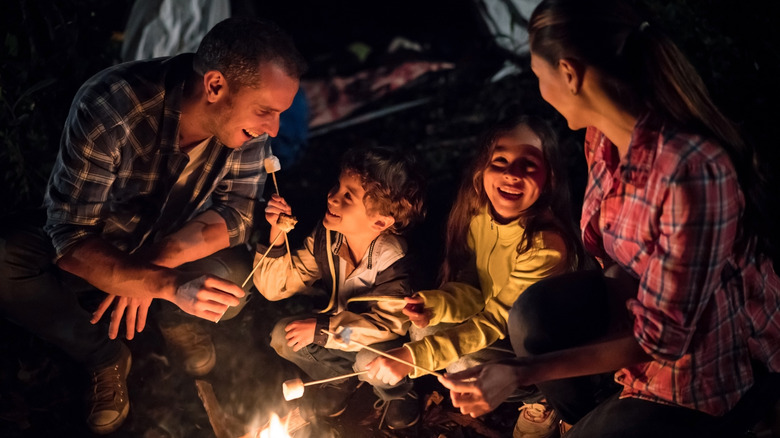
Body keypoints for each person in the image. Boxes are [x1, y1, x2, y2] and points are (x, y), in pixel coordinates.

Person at [438, 1, 780, 437]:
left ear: (568, 73)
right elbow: (616, 261)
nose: (538, 88)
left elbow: (664, 341)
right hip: (636, 318)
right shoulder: (603, 140)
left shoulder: (691, 170)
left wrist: (520, 373)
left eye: (538, 75)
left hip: (710, 365)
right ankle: (591, 417)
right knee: (535, 315)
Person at [0, 17, 306, 435]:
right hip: (99, 245)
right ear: (215, 86)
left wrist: (152, 269)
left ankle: (178, 319)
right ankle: (101, 354)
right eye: (265, 111)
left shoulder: (247, 132)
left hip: (170, 244)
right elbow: (69, 236)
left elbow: (237, 213)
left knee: (230, 289)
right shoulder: (113, 104)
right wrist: (165, 285)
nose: (273, 129)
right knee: (6, 263)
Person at [363, 111, 591, 437]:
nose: (512, 174)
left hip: (549, 347)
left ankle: (542, 396)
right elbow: (475, 287)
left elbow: (496, 319)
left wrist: (412, 359)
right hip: (508, 328)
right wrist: (435, 305)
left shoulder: (546, 245)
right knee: (423, 332)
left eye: (529, 164)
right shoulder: (482, 217)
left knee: (460, 363)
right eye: (500, 161)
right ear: (482, 170)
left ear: (549, 178)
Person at [253, 145, 426, 430]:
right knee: (283, 337)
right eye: (338, 186)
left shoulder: (393, 261)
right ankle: (340, 380)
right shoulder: (329, 239)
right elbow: (275, 286)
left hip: (386, 346)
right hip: (342, 335)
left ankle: (397, 392)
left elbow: (388, 326)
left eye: (349, 196)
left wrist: (323, 329)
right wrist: (276, 231)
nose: (332, 197)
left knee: (370, 360)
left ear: (380, 221)